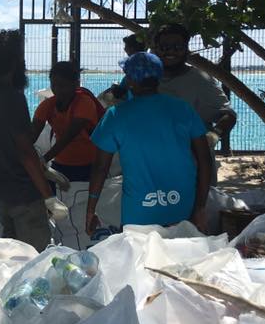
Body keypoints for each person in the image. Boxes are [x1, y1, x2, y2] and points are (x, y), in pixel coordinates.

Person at [86, 52, 212, 233]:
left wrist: (91, 210)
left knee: (140, 258)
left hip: (140, 212)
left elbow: (100, 166)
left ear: (129, 80)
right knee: (182, 256)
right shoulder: (182, 108)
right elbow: (204, 158)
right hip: (183, 206)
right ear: (159, 77)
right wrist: (200, 207)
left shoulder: (116, 115)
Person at [0, 29, 69, 250]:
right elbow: (24, 151)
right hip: (25, 196)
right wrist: (48, 197)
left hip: (3, 191)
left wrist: (44, 168)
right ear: (12, 62)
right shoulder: (11, 97)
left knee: (13, 257)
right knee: (34, 260)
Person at [154, 23, 237, 141]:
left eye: (178, 47)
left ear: (186, 49)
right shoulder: (144, 79)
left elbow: (229, 116)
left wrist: (213, 137)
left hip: (190, 156)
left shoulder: (200, 79)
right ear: (156, 49)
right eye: (164, 47)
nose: (171, 51)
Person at [32, 61, 105, 183]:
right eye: (54, 85)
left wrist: (43, 161)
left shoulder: (85, 103)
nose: (57, 89)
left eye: (62, 85)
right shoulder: (47, 106)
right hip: (60, 163)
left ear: (76, 84)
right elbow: (31, 136)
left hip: (89, 164)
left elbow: (68, 136)